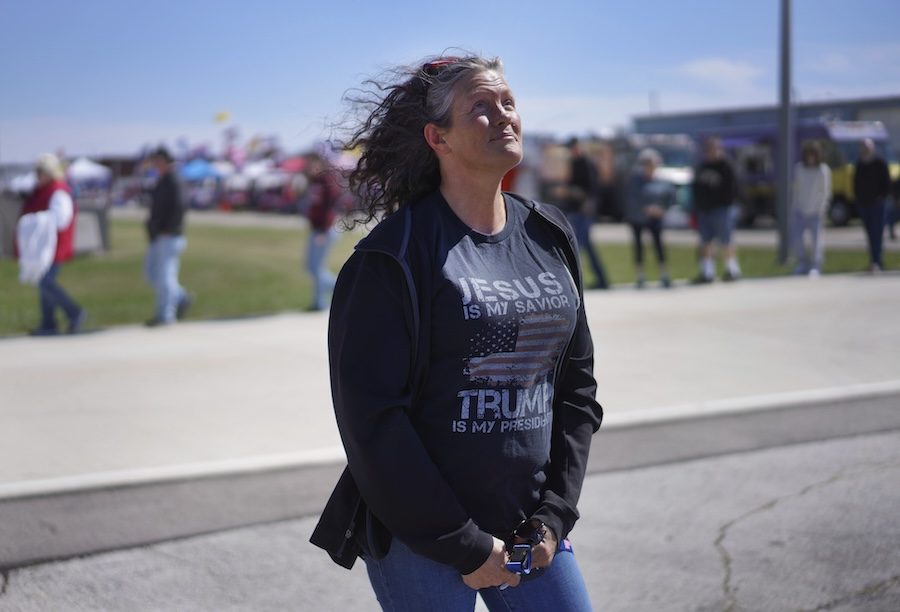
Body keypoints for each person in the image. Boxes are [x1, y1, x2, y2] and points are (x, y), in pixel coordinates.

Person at [310, 54, 602, 612]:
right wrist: (464, 546)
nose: (504, 117)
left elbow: (576, 390)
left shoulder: (549, 234)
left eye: (509, 103)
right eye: (481, 108)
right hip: (424, 535)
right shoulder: (390, 258)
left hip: (530, 528)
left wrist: (554, 515)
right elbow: (372, 421)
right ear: (437, 138)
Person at [18, 154, 86, 335]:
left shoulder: (58, 191)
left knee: (45, 282)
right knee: (43, 283)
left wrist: (35, 220)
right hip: (42, 247)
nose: (38, 176)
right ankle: (49, 323)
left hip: (53, 246)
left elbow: (61, 219)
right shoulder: (41, 191)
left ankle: (73, 312)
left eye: (41, 172)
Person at [145, 147, 191, 326]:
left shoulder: (173, 179)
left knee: (165, 276)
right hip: (160, 234)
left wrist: (168, 228)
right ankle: (180, 297)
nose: (155, 165)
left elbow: (179, 207)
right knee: (152, 273)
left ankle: (166, 315)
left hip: (169, 235)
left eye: (157, 161)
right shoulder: (164, 179)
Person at [560, 138, 609, 289]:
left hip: (585, 211)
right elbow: (573, 185)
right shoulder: (574, 163)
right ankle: (601, 279)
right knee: (584, 245)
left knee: (579, 245)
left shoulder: (587, 163)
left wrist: (588, 204)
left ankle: (576, 281)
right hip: (575, 209)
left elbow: (593, 188)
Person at [692, 137, 741, 283]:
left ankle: (732, 270)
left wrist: (725, 204)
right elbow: (696, 188)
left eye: (715, 148)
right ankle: (708, 272)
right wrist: (699, 206)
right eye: (709, 149)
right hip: (705, 210)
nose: (712, 152)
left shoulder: (726, 166)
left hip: (722, 209)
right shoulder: (702, 167)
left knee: (726, 240)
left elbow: (732, 189)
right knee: (706, 241)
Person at [625, 148, 672, 288]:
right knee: (638, 246)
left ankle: (664, 275)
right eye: (647, 164)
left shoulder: (661, 181)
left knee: (659, 245)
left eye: (652, 165)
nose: (650, 168)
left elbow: (669, 197)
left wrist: (662, 210)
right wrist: (645, 209)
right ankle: (640, 277)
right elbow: (631, 199)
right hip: (637, 218)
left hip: (655, 218)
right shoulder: (634, 180)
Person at [302, 153, 343, 311]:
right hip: (317, 229)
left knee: (317, 268)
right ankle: (339, 289)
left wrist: (323, 230)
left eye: (314, 164)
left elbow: (330, 207)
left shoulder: (327, 181)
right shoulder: (314, 181)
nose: (311, 168)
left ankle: (319, 302)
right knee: (311, 267)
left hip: (324, 230)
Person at [790, 141, 831, 277]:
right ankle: (803, 263)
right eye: (808, 155)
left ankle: (816, 266)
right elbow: (796, 190)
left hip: (816, 212)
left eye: (813, 155)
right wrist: (795, 207)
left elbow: (825, 192)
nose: (811, 158)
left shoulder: (823, 170)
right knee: (797, 239)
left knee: (816, 241)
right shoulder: (799, 169)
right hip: (800, 210)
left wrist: (821, 209)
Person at [853, 138, 891, 272]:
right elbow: (856, 183)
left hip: (877, 204)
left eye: (867, 147)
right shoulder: (860, 164)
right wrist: (858, 200)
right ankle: (873, 260)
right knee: (869, 233)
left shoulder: (879, 162)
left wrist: (881, 197)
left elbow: (887, 182)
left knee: (877, 233)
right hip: (864, 204)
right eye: (863, 147)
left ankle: (878, 261)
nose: (865, 150)